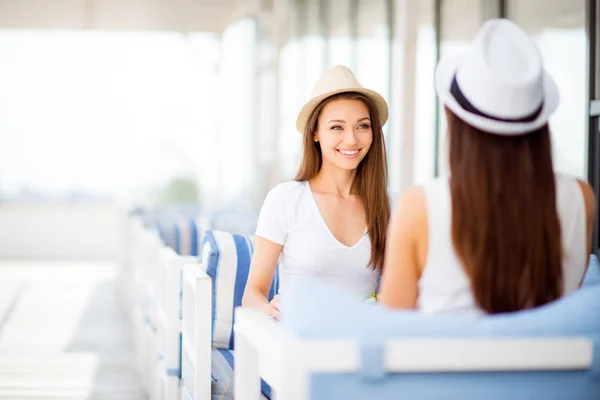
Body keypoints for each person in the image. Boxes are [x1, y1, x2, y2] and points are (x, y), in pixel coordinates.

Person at [379, 19, 596, 316]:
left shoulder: (420, 207)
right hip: (551, 364)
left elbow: (391, 333)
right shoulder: (581, 198)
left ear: (452, 118)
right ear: (539, 124)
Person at [242, 65, 391, 319]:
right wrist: (270, 310)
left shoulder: (386, 205)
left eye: (362, 126)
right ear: (315, 133)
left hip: (362, 345)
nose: (352, 140)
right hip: (299, 345)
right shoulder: (285, 200)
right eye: (337, 127)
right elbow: (252, 295)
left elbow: (395, 295)